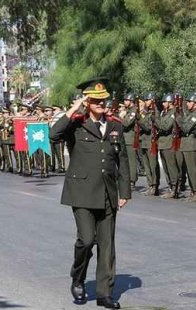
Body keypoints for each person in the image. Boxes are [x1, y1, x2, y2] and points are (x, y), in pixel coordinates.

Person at [50, 77, 130, 309]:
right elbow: (53, 136)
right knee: (86, 240)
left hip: (107, 192)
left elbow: (122, 160)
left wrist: (124, 190)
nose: (100, 104)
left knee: (107, 245)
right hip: (82, 192)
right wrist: (72, 109)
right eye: (95, 101)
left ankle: (105, 293)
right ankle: (78, 278)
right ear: (87, 102)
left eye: (103, 100)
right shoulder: (76, 123)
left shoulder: (115, 124)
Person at [179, 93, 196, 203]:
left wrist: (178, 118)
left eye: (189, 102)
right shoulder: (190, 114)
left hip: (192, 145)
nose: (187, 104)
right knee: (189, 170)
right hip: (186, 144)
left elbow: (186, 128)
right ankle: (194, 191)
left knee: (193, 170)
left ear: (195, 104)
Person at [155, 94, 181, 198]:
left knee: (171, 167)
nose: (163, 103)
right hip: (162, 143)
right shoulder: (163, 113)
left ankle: (174, 188)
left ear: (170, 103)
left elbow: (166, 126)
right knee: (165, 167)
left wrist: (156, 121)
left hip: (169, 143)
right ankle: (170, 187)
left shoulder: (173, 113)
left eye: (165, 102)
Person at [137, 92, 161, 196]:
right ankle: (150, 185)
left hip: (151, 142)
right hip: (144, 141)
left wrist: (139, 119)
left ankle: (155, 186)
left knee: (153, 165)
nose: (145, 102)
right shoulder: (147, 112)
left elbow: (148, 127)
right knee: (147, 165)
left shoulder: (155, 113)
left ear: (152, 100)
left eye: (147, 100)